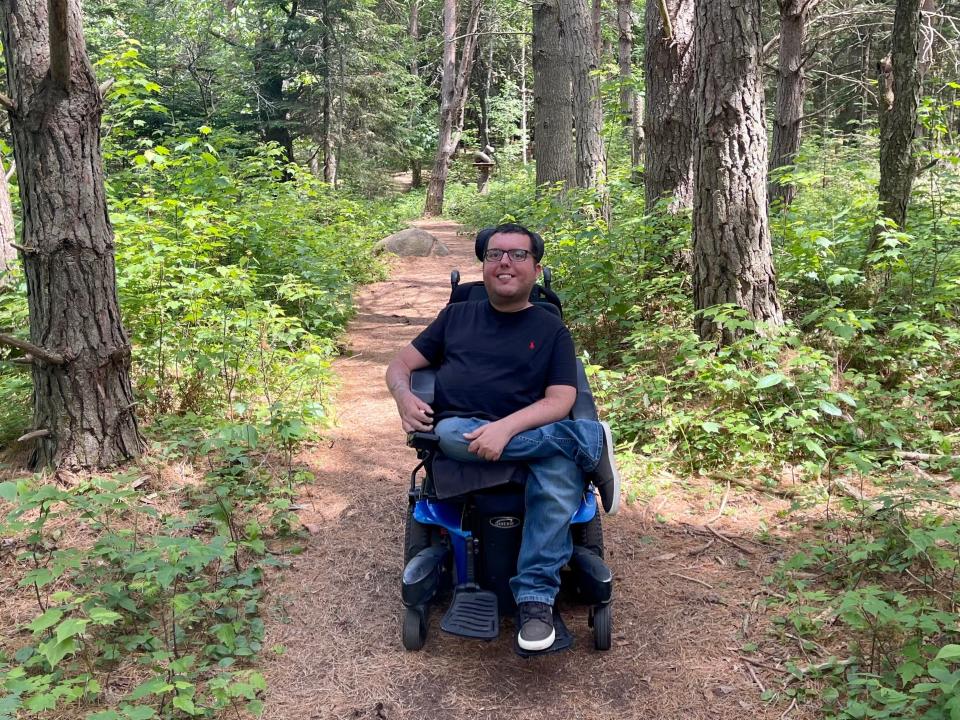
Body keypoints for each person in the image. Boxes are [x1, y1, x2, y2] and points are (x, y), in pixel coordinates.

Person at [385, 222, 620, 652]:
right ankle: (585, 443)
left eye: (517, 255)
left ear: (535, 267)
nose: (505, 263)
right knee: (450, 433)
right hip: (464, 432)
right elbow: (400, 365)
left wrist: (507, 428)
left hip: (529, 431)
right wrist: (403, 396)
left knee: (558, 470)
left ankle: (533, 601)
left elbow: (562, 398)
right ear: (484, 265)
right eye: (495, 255)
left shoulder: (551, 330)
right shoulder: (456, 316)